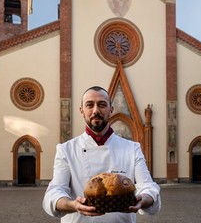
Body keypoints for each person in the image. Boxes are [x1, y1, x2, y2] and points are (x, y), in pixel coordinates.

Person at [43, 86, 161, 222]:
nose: (96, 111)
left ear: (111, 110)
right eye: (89, 105)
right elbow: (54, 192)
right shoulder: (66, 150)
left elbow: (148, 186)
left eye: (102, 105)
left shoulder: (132, 148)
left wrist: (142, 200)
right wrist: (73, 205)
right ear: (82, 111)